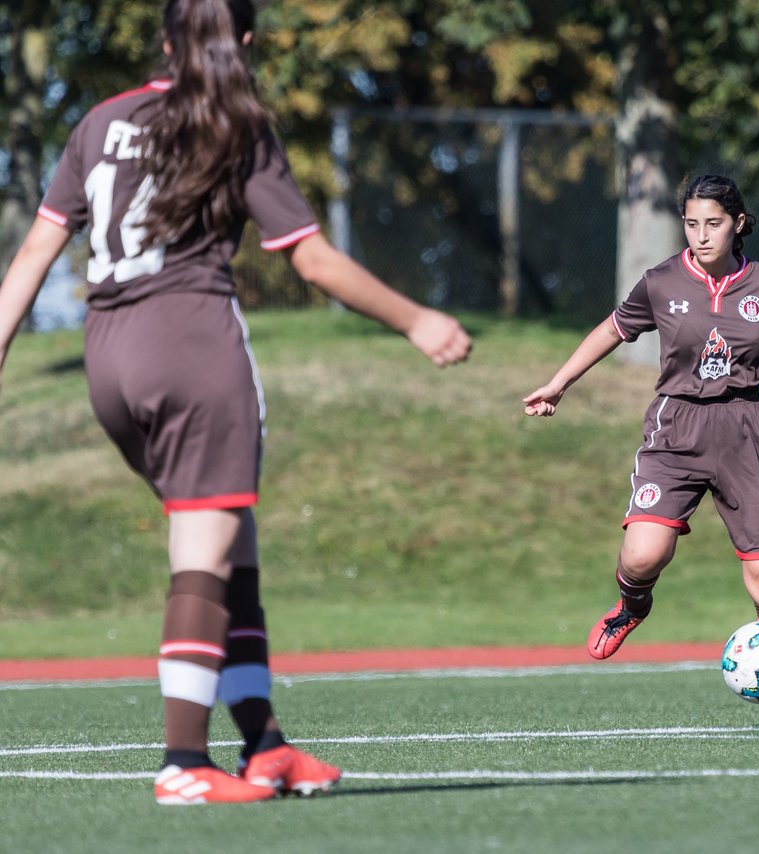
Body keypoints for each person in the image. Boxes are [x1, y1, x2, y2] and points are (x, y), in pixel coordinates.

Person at [0, 0, 471, 804]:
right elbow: (313, 264)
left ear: (163, 39)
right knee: (202, 555)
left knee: (229, 539)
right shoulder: (236, 121)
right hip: (191, 347)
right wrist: (417, 318)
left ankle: (265, 745)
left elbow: (37, 252)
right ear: (245, 41)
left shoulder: (98, 121)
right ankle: (182, 763)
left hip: (108, 358)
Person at [523, 174, 759, 731]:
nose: (701, 235)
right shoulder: (661, 281)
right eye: (692, 223)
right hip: (676, 429)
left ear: (739, 224)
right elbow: (611, 331)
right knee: (640, 557)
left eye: (714, 223)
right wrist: (559, 383)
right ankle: (632, 608)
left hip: (745, 433)